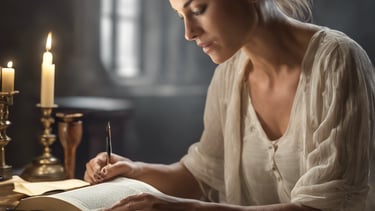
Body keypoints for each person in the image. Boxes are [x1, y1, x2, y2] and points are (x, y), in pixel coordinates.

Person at [84, 0, 375, 210]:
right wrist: (134, 170)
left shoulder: (337, 60)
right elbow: (202, 175)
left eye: (197, 9)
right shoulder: (229, 75)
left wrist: (188, 210)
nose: (189, 33)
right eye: (179, 16)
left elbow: (325, 206)